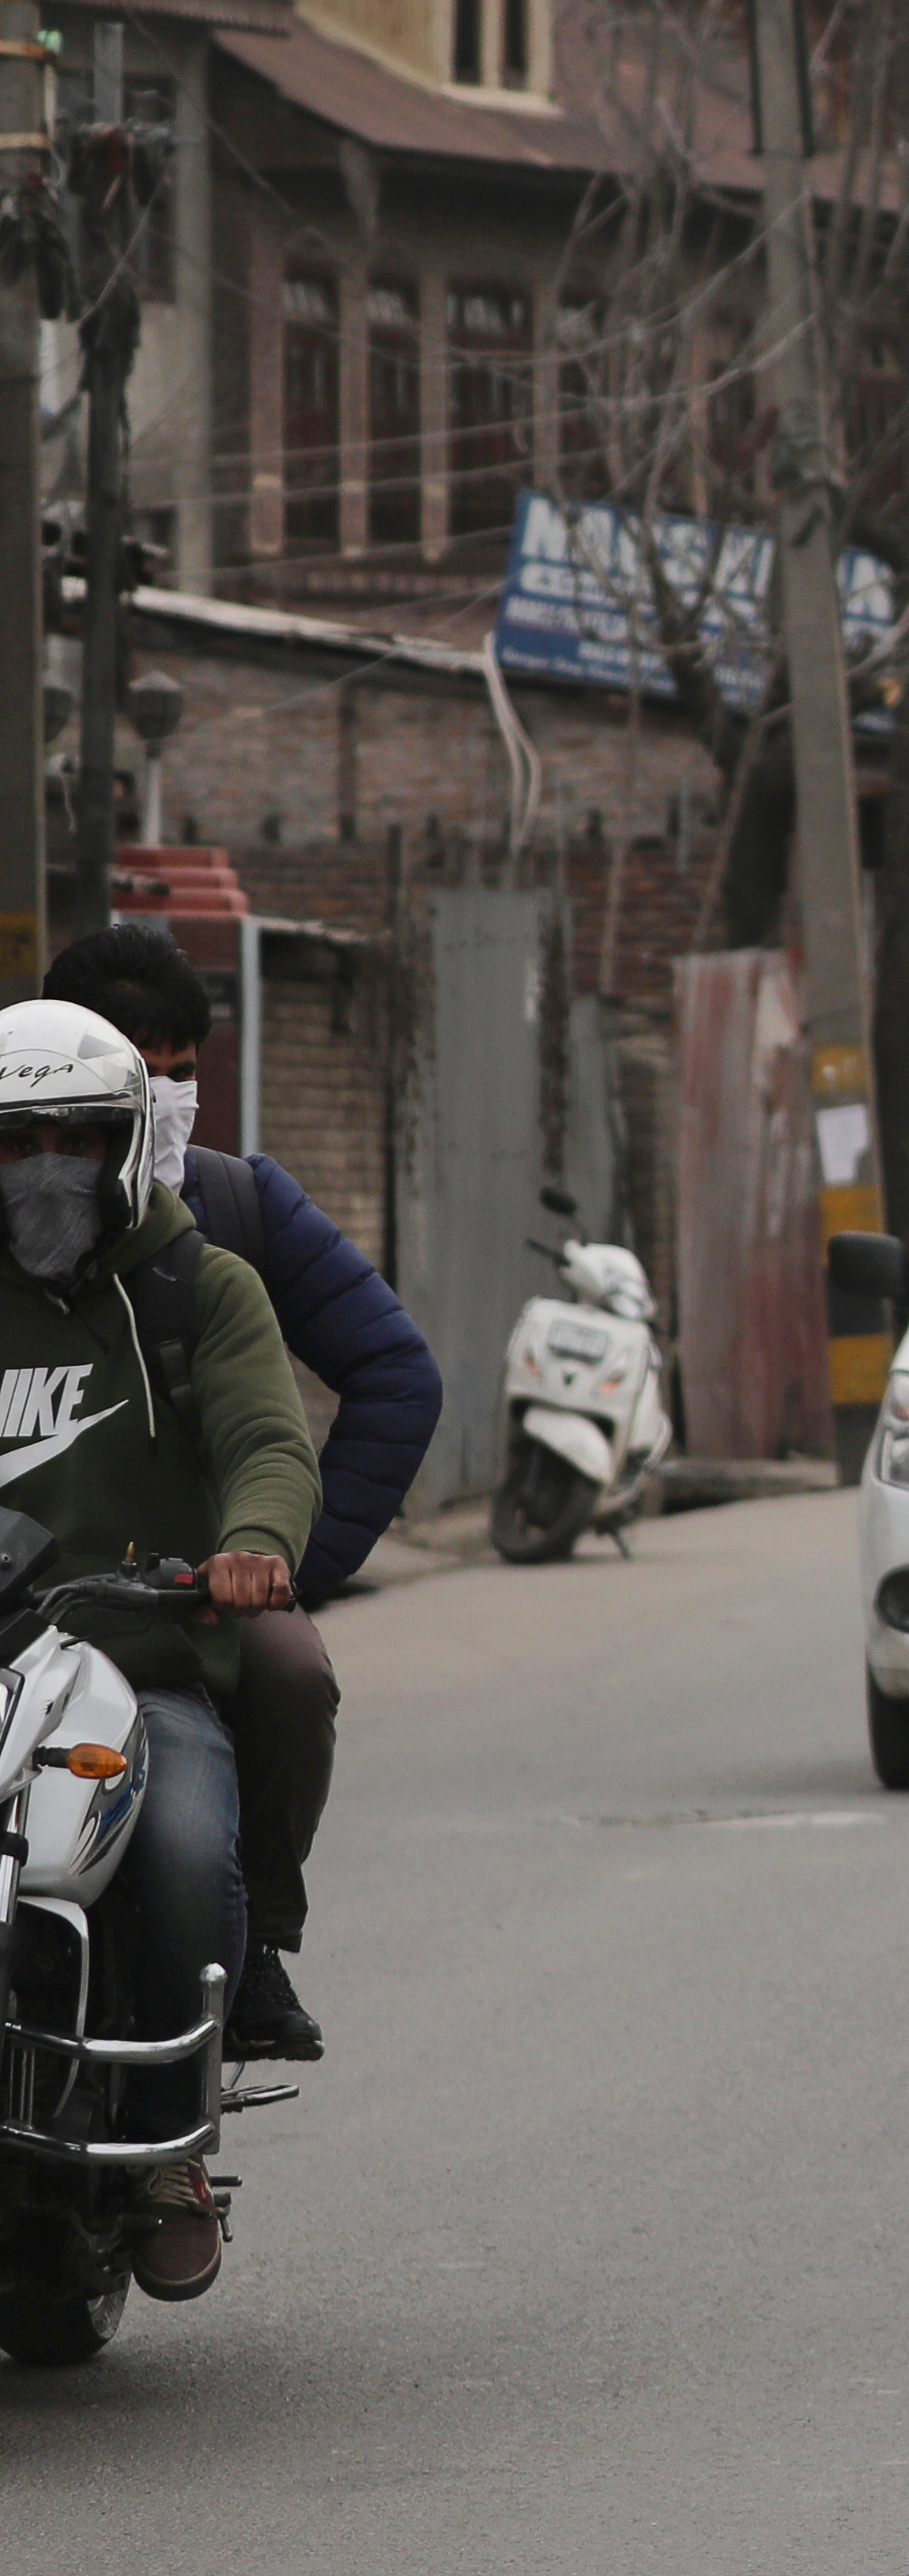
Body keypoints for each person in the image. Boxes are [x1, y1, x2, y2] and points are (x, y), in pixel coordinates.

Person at [40, 918, 441, 2067]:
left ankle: (252, 1941)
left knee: (289, 1675)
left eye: (181, 1067)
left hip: (182, 1597)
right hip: (27, 1595)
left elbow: (390, 1380)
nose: (162, 1092)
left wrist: (275, 1563)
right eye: (135, 1064)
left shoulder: (228, 1229)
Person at [0, 997, 314, 2298]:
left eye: (75, 1136)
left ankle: (165, 2146)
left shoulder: (203, 1289)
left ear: (127, 1142)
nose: (46, 1167)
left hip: (147, 1664)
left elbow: (269, 1443)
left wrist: (248, 1545)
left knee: (183, 1847)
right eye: (17, 1142)